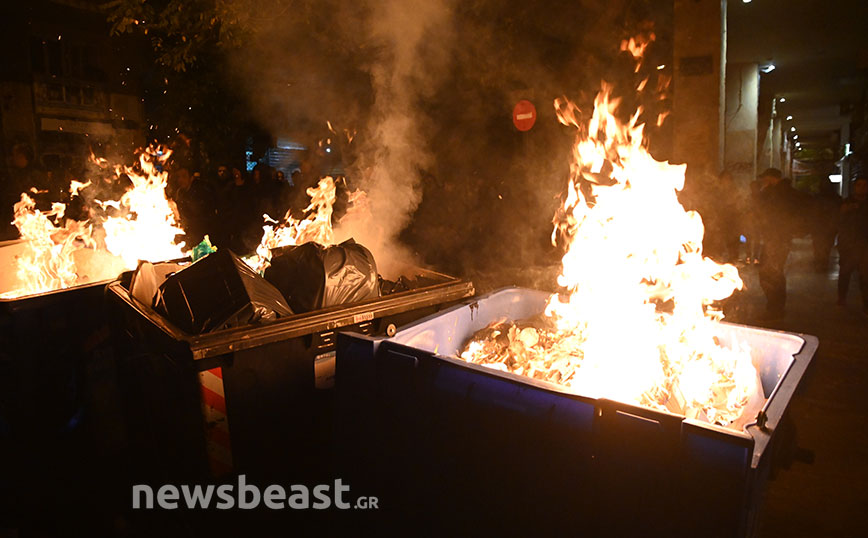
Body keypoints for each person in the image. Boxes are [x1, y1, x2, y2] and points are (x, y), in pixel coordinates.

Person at [757, 168, 803, 319]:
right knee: (772, 271)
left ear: (771, 178)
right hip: (776, 238)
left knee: (771, 272)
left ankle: (775, 306)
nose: (763, 181)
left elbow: (769, 212)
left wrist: (764, 193)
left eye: (765, 178)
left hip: (777, 238)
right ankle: (775, 305)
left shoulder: (779, 193)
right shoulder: (782, 192)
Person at [837, 176, 868, 313]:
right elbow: (838, 221)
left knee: (865, 276)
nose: (862, 188)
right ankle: (841, 298)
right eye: (859, 185)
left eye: (864, 185)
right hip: (848, 244)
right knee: (845, 272)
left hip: (864, 244)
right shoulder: (847, 203)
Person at [171, 167, 217, 246]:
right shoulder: (180, 193)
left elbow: (202, 218)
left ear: (191, 178)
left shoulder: (200, 192)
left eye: (184, 176)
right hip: (188, 234)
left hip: (203, 235)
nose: (180, 180)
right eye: (178, 177)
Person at [811, 178, 841, 272]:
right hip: (829, 228)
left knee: (818, 247)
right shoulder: (836, 198)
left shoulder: (817, 198)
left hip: (819, 228)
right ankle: (822, 264)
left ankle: (819, 264)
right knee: (826, 247)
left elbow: (813, 213)